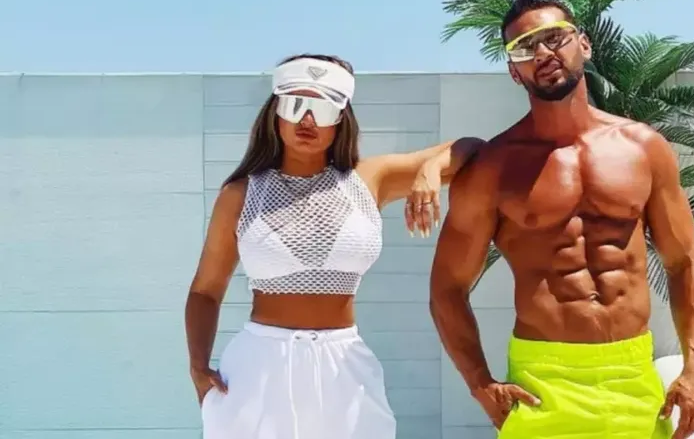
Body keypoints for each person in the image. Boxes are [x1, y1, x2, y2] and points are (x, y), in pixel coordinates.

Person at [428, 0, 694, 439]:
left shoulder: (643, 148)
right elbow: (447, 287)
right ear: (514, 71)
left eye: (553, 38)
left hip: (632, 376)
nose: (542, 53)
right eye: (524, 48)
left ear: (584, 43)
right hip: (542, 382)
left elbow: (684, 261)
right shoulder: (493, 168)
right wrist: (479, 383)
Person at [185, 53, 483, 439]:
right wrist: (197, 365)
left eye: (324, 108)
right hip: (259, 366)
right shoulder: (242, 194)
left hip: (344, 366)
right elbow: (206, 290)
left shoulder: (369, 179)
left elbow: (473, 149)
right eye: (295, 105)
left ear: (342, 117)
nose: (307, 120)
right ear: (275, 112)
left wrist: (429, 169)